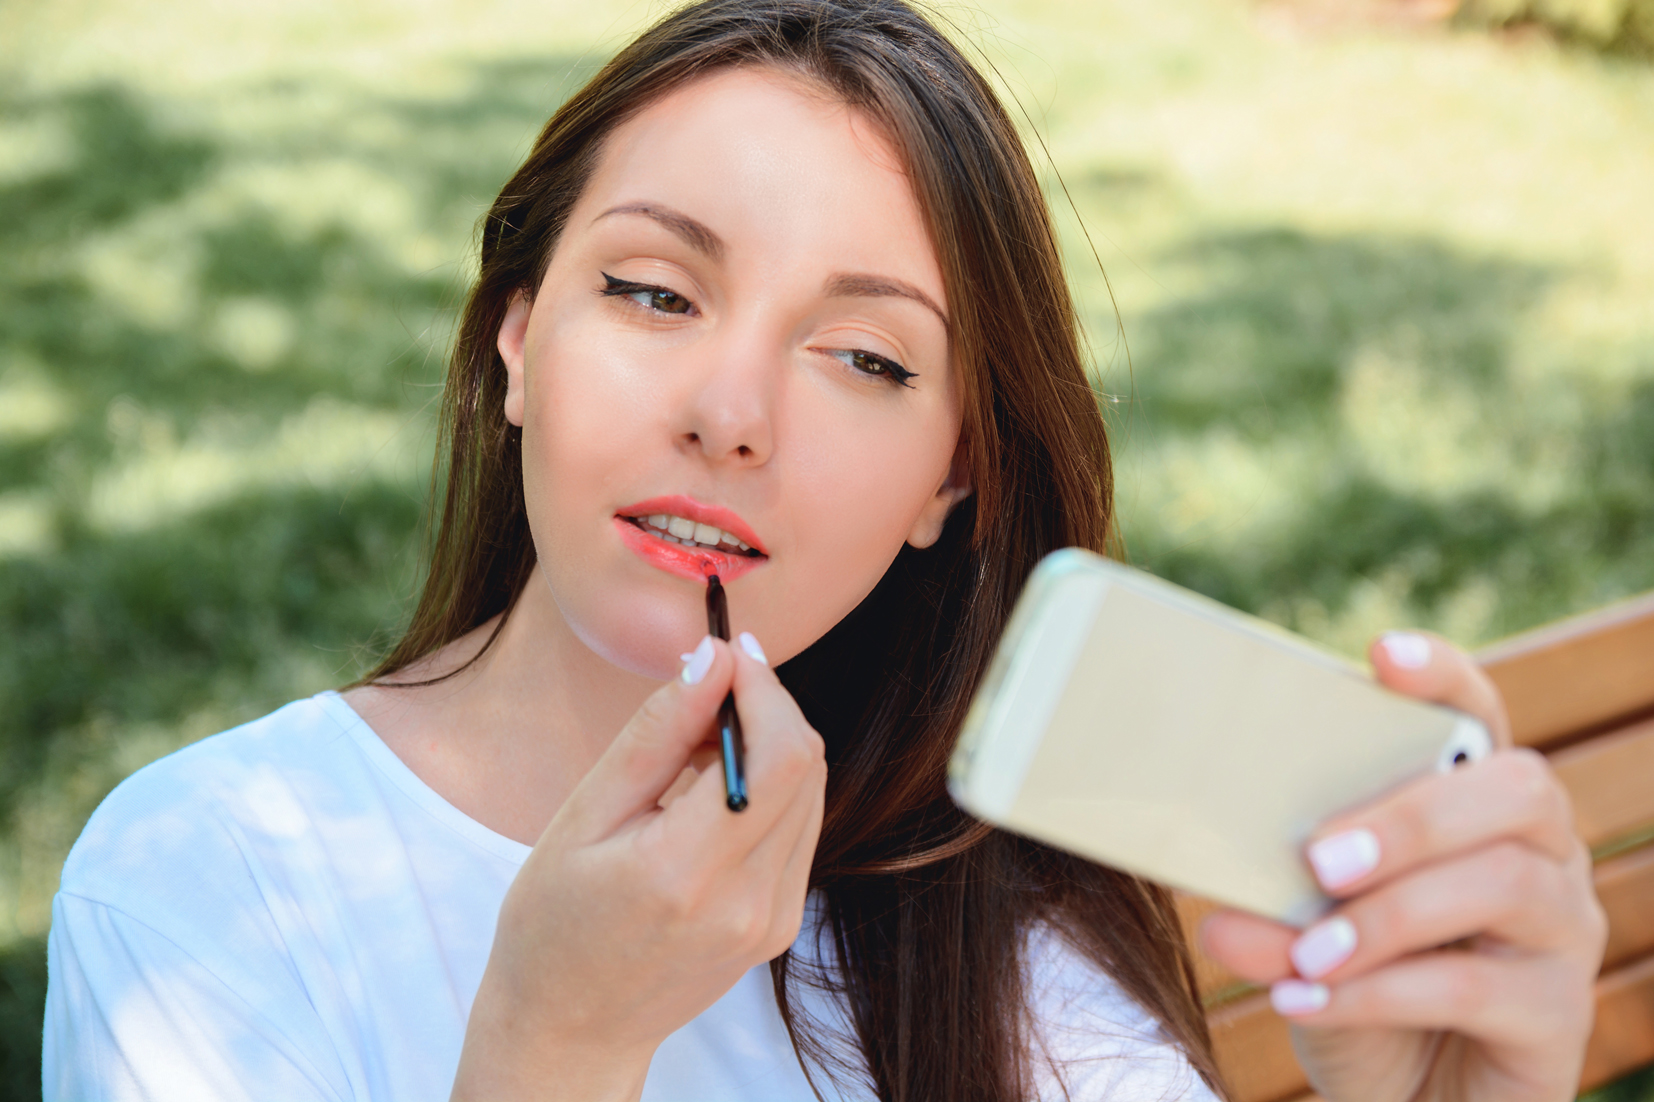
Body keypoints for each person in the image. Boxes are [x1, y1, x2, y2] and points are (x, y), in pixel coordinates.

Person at [42, 1, 1606, 1099]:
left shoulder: (1012, 917)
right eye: (655, 291)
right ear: (514, 340)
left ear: (951, 484)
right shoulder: (200, 884)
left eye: (864, 357)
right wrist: (552, 1046)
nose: (730, 413)